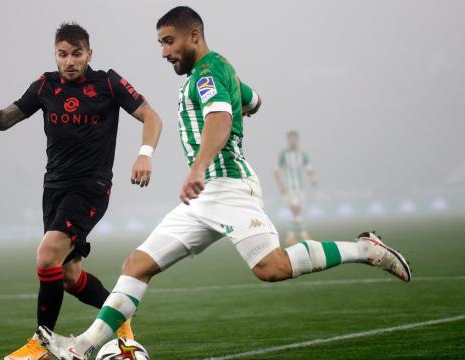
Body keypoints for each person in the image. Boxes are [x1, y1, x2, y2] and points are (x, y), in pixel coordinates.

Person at [37, 7, 412, 360]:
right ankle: (82, 347)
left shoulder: (207, 75)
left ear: (194, 35)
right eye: (161, 44)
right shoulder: (219, 71)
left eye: (169, 42)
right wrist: (244, 99)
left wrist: (199, 167)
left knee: (272, 268)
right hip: (202, 199)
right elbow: (253, 102)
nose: (164, 52)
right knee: (136, 265)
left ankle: (366, 250)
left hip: (228, 187)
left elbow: (220, 121)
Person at [0, 23, 163, 360]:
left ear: (89, 54)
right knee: (68, 276)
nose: (69, 61)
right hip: (53, 189)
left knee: (46, 254)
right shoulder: (44, 86)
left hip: (90, 188)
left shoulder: (108, 82)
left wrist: (144, 154)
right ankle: (120, 316)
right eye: (63, 54)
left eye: (76, 54)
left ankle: (41, 343)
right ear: (55, 55)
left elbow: (151, 117)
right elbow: (2, 120)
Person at [275, 130, 317, 244]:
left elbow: (309, 168)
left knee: (296, 211)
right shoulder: (284, 154)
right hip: (289, 188)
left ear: (297, 140)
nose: (293, 141)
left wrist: (313, 178)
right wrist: (280, 185)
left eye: (294, 139)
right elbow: (276, 170)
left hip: (300, 188)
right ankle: (303, 234)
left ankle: (291, 235)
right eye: (291, 139)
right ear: (288, 140)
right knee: (296, 209)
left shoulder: (302, 154)